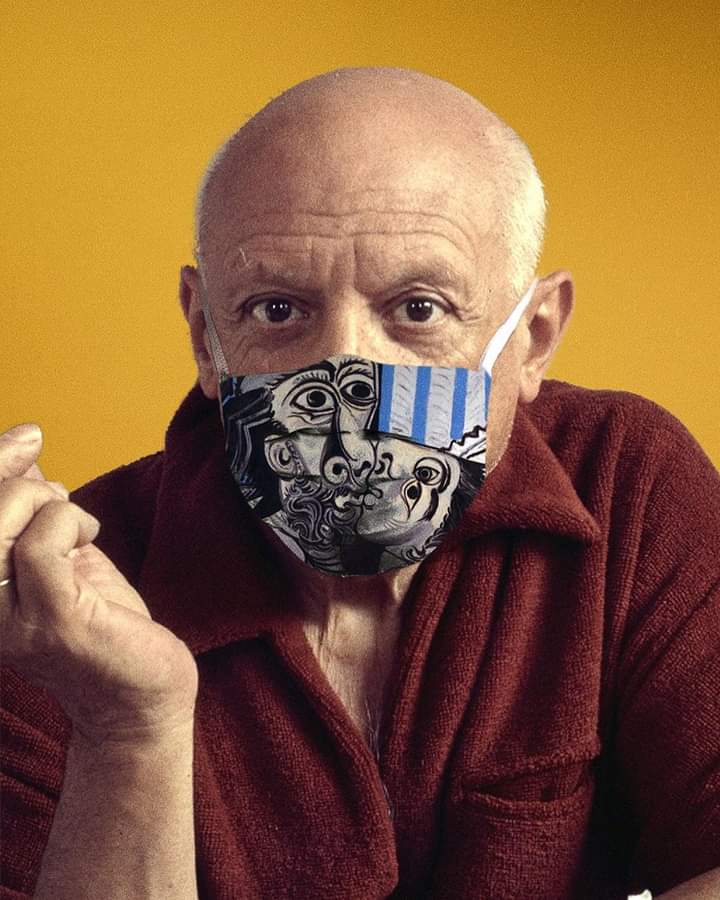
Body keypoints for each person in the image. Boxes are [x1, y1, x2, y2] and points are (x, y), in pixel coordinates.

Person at [1, 67, 718, 900]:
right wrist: (126, 728)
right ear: (205, 335)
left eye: (418, 308)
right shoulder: (65, 604)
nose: (347, 375)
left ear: (534, 335)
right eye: (278, 310)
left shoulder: (627, 481)